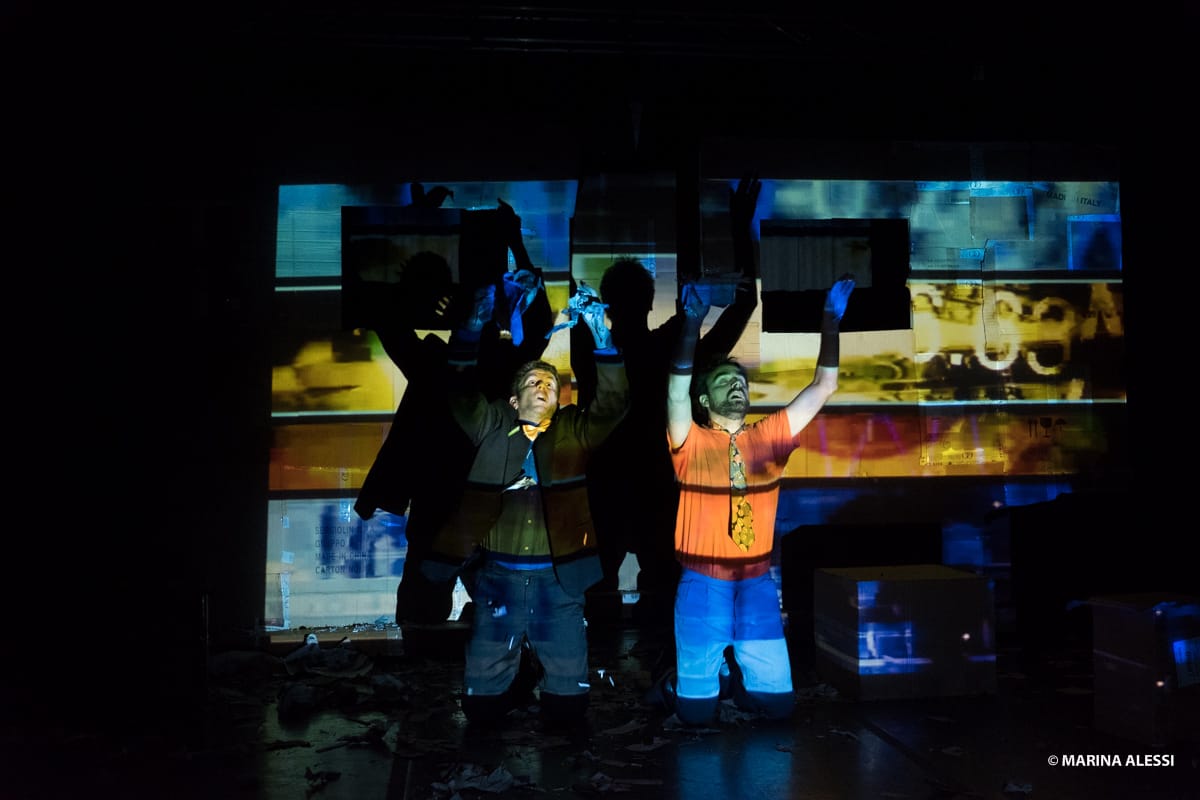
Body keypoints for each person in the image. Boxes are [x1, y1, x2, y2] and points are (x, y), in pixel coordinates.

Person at [420, 285, 628, 729]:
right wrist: (470, 329)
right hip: (499, 580)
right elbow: (461, 392)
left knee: (569, 706)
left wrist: (603, 340)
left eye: (550, 384)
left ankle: (549, 698)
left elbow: (612, 406)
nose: (543, 386)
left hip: (559, 583)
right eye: (533, 381)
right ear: (514, 400)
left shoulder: (571, 429)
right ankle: (508, 692)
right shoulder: (493, 423)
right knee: (481, 707)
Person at [653, 274, 855, 726]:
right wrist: (692, 324)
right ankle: (676, 683)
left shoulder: (768, 437)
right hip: (702, 581)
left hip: (757, 581)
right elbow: (674, 390)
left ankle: (734, 677)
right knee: (696, 716)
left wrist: (830, 320)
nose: (737, 387)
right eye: (725, 381)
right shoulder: (690, 440)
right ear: (704, 398)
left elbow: (824, 386)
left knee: (779, 706)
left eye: (741, 382)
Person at [352, 193, 553, 631]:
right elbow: (539, 328)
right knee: (451, 609)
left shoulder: (444, 362)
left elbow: (388, 318)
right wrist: (514, 244)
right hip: (463, 504)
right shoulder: (475, 363)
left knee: (437, 611)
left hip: (457, 503)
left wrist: (414, 228)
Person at [579, 175, 763, 632]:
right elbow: (743, 304)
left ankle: (598, 666)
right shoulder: (666, 347)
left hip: (607, 482)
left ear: (609, 304)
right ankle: (657, 661)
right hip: (660, 483)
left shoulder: (593, 347)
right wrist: (739, 228)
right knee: (660, 594)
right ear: (649, 301)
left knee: (599, 593)